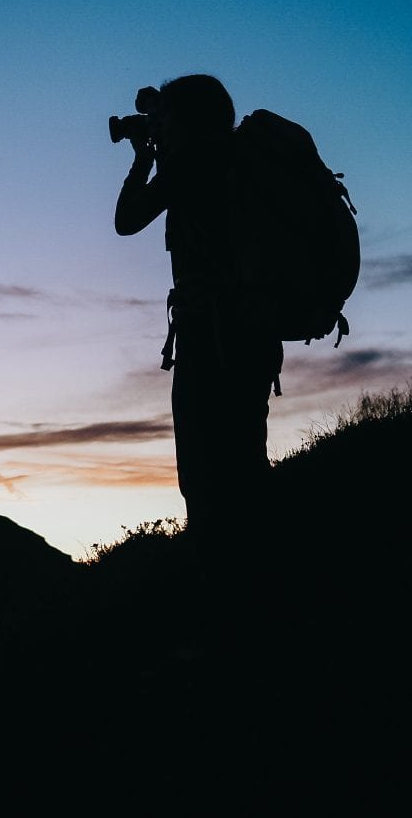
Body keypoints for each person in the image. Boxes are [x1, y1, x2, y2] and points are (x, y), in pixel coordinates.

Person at [114, 73, 281, 638]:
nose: (157, 127)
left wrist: (143, 158)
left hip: (213, 340)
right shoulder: (233, 162)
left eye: (165, 119)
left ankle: (230, 621)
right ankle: (262, 604)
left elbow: (126, 220)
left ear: (190, 120)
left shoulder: (193, 166)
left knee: (207, 480)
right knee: (244, 466)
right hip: (252, 336)